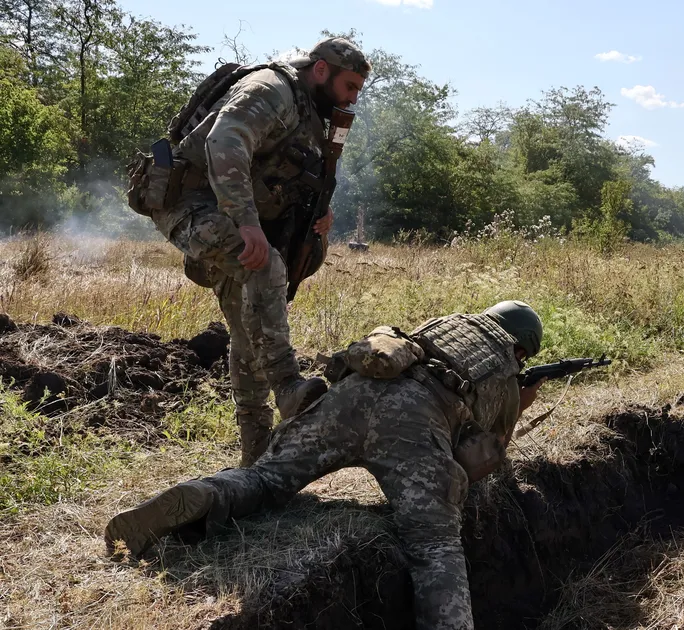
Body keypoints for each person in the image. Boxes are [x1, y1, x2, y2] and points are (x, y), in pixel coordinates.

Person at [104, 300, 547, 630]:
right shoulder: (504, 370)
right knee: (434, 547)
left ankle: (205, 494)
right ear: (521, 348)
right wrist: (520, 402)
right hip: (415, 422)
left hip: (349, 399)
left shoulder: (446, 324)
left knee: (267, 477)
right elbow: (488, 453)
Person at [141, 37, 372, 466]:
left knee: (249, 331)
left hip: (230, 209)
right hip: (189, 201)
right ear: (321, 70)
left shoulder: (308, 110)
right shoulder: (271, 89)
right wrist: (247, 222)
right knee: (265, 267)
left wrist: (320, 212)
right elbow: (225, 142)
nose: (353, 98)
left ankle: (256, 457)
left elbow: (288, 170)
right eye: (350, 86)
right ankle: (287, 386)